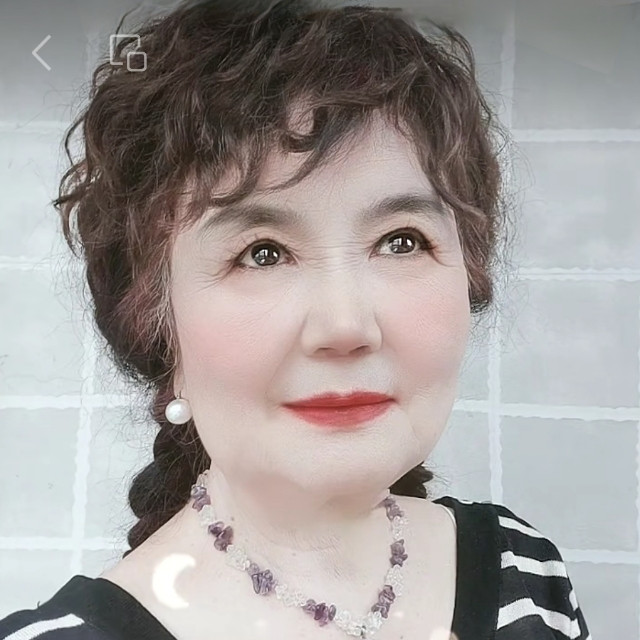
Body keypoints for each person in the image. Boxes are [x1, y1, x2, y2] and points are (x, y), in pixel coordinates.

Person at [0, 1, 591, 639]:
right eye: (262, 253)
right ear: (154, 326)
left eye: (401, 241)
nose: (346, 325)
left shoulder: (524, 571)